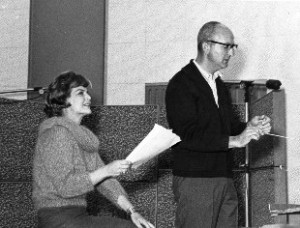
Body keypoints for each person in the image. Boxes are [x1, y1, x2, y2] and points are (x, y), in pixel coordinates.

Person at [165, 21, 271, 228]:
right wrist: (235, 140)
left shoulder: (218, 85)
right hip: (197, 180)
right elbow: (186, 135)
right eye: (226, 46)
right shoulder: (181, 83)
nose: (231, 53)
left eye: (233, 47)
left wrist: (248, 126)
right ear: (206, 46)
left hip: (224, 177)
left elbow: (226, 126)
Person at [32, 71, 155, 228]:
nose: (89, 97)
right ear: (64, 100)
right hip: (57, 218)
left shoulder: (81, 137)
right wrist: (107, 170)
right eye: (80, 93)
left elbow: (105, 182)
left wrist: (132, 211)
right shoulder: (57, 133)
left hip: (77, 216)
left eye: (87, 92)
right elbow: (65, 187)